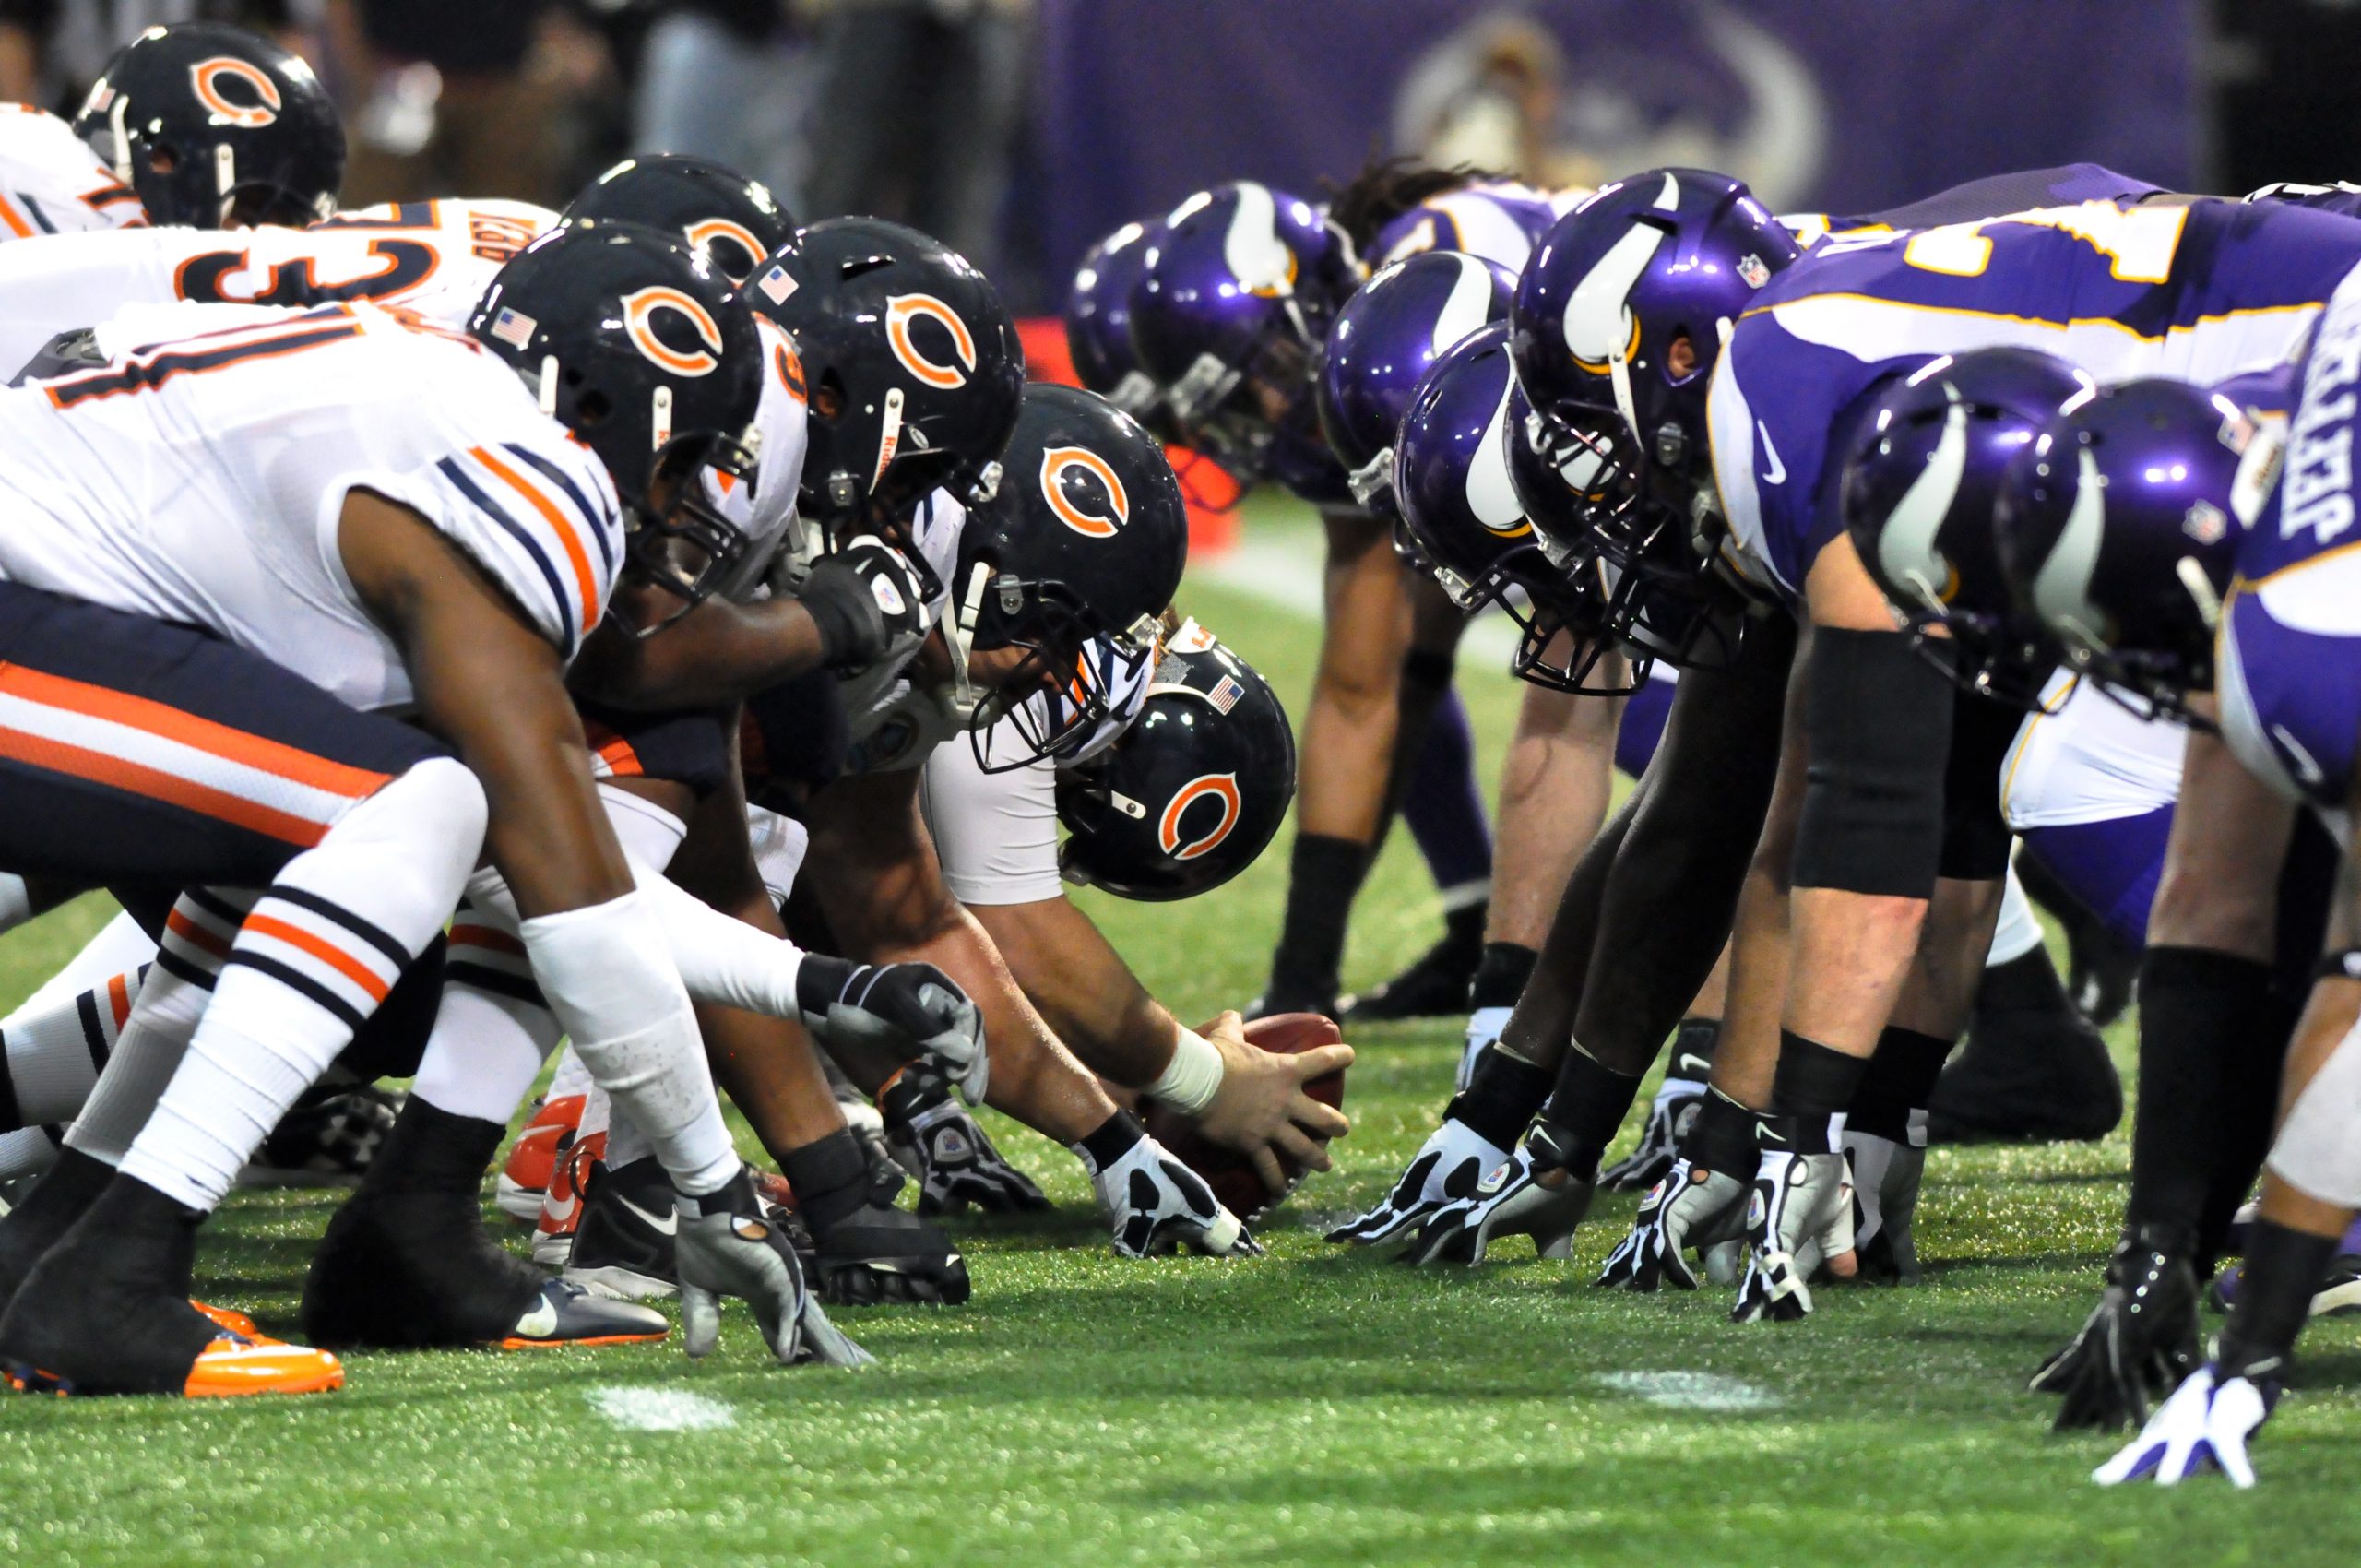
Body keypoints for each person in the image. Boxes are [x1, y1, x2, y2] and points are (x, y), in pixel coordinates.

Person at [0, 221, 872, 1396]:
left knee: (322, 821)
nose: (674, 503)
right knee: (418, 803)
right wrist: (714, 1183)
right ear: (609, 409)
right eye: (685, 461)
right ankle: (110, 1276)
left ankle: (60, 1239)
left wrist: (808, 1006)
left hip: (40, 603)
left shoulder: (400, 387)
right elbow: (570, 890)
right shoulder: (531, 470)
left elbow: (536, 876)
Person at [1978, 356, 2361, 1483]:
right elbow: (2211, 900)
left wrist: (2250, 1358)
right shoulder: (2276, 494)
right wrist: (2161, 1247)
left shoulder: (2310, 629)